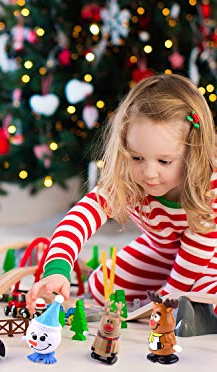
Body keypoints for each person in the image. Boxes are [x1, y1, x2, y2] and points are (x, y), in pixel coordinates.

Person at [27, 74, 217, 330]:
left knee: (206, 295)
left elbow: (197, 254)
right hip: (160, 252)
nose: (149, 173)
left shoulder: (209, 186)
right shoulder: (128, 177)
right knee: (99, 286)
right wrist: (57, 268)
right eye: (137, 157)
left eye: (164, 161)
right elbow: (80, 216)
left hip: (207, 257)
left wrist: (164, 304)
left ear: (192, 154)